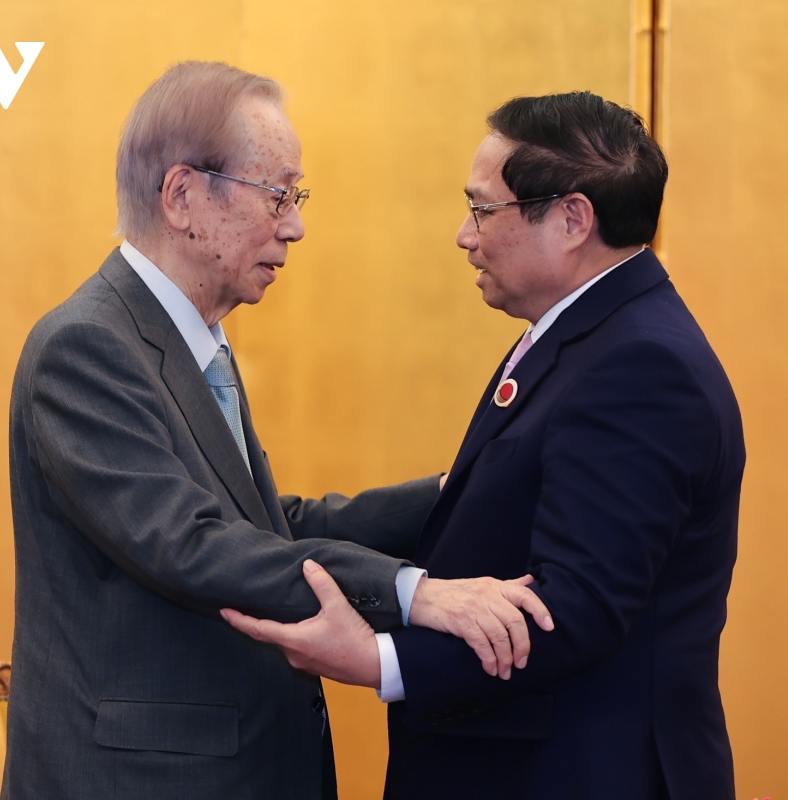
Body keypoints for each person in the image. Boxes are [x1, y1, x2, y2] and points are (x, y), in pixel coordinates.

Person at [2, 61, 549, 800]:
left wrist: (459, 491)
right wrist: (411, 593)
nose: (295, 225)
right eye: (278, 195)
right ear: (183, 196)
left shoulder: (193, 341)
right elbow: (192, 543)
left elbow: (264, 528)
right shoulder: (85, 346)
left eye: (297, 197)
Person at [223, 92, 746, 799]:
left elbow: (578, 606)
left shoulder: (640, 364)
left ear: (571, 220)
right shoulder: (590, 334)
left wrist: (380, 658)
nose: (463, 237)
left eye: (481, 209)